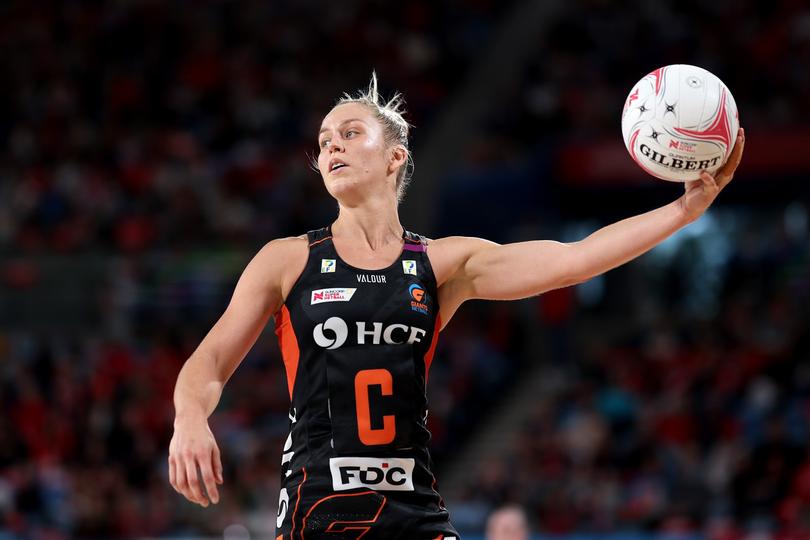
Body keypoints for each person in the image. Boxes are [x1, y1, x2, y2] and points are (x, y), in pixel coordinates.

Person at [168, 74, 745, 539]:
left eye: (348, 133)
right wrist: (190, 417)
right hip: (320, 510)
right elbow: (210, 360)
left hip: (416, 511)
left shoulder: (445, 264)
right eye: (323, 142)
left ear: (396, 157)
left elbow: (576, 259)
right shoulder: (286, 259)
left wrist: (683, 213)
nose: (331, 146)